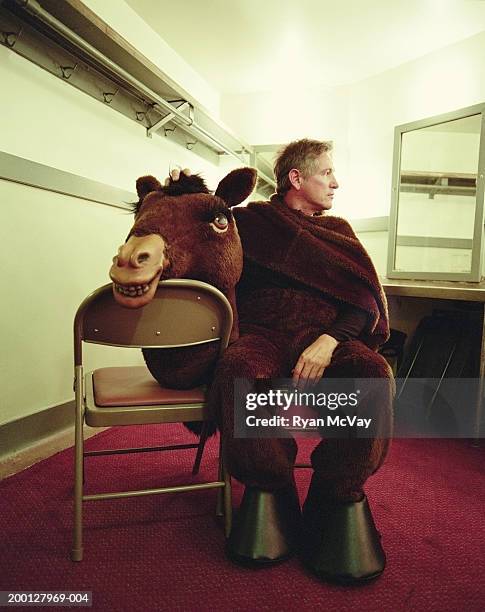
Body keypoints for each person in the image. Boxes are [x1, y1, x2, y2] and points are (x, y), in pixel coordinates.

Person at [173, 139, 394, 584]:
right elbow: (202, 232)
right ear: (296, 178)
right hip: (262, 333)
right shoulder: (249, 223)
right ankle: (270, 484)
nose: (336, 182)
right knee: (239, 371)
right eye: (327, 173)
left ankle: (337, 491)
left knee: (373, 373)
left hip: (326, 335)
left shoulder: (341, 232)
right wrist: (181, 192)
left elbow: (363, 302)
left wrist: (330, 340)